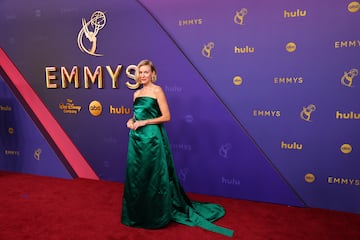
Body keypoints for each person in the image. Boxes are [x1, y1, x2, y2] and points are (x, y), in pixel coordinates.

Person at [121, 59, 233, 237]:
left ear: (152, 74)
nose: (142, 75)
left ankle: (156, 214)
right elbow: (136, 115)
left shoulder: (157, 90)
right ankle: (139, 213)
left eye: (146, 72)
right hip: (136, 139)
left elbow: (166, 116)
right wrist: (131, 121)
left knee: (153, 175)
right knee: (138, 176)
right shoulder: (136, 94)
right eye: (140, 72)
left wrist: (145, 122)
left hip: (152, 138)